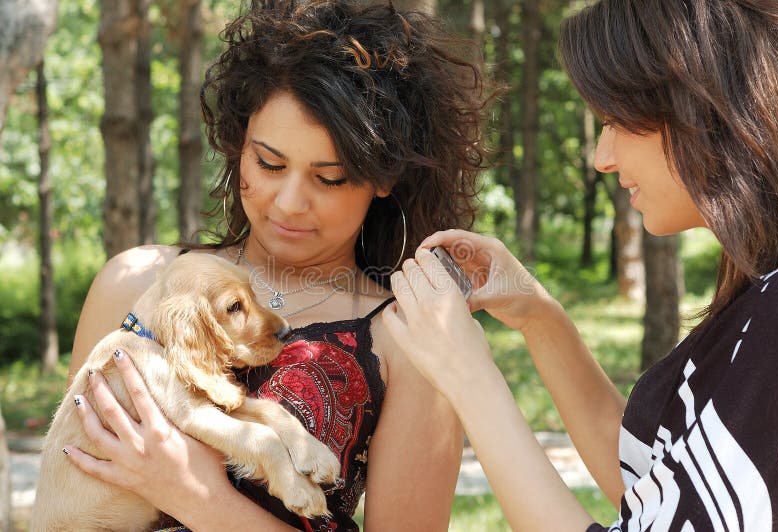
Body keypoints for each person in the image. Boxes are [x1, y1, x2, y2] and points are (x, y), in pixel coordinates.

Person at [62, 1, 493, 530]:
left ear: (385, 178)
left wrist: (197, 497)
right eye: (269, 163)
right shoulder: (134, 282)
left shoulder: (413, 337)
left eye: (328, 177)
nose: (289, 202)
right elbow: (66, 493)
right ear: (237, 145)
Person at [383, 0, 778, 530]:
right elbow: (655, 489)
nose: (602, 157)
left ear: (700, 106)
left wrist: (470, 378)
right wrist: (539, 318)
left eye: (615, 122)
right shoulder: (772, 295)